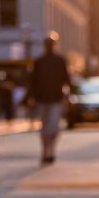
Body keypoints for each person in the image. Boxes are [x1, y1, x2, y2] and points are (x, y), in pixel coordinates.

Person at [29, 32, 70, 164]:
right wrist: (31, 98)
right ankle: (46, 150)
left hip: (55, 100)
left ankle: (50, 150)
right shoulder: (39, 62)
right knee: (45, 128)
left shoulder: (60, 61)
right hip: (42, 100)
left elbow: (66, 79)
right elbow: (32, 82)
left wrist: (68, 96)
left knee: (52, 128)